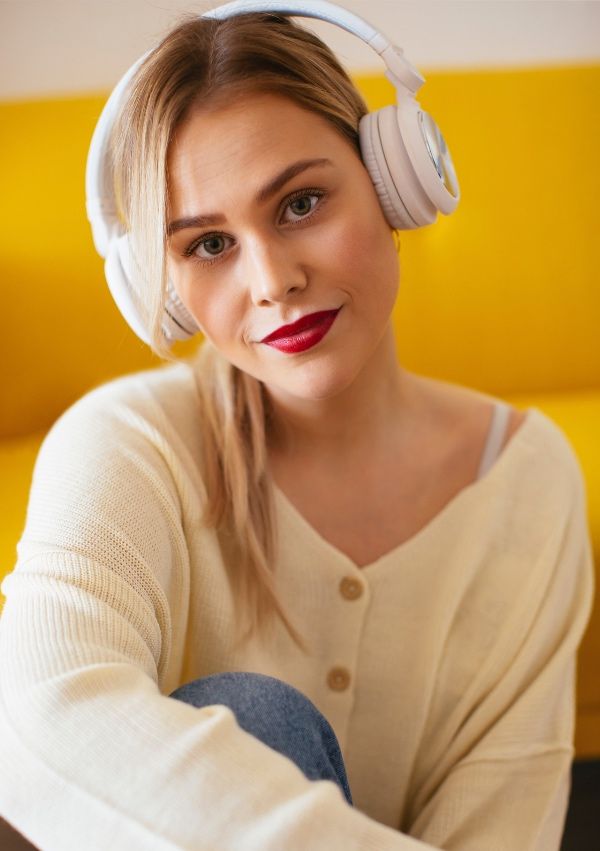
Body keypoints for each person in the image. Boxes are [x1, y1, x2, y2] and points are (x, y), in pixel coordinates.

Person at [0, 2, 594, 849]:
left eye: (301, 202)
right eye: (208, 246)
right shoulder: (128, 442)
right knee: (252, 717)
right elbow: (39, 717)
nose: (272, 281)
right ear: (164, 289)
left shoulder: (526, 480)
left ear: (395, 183)